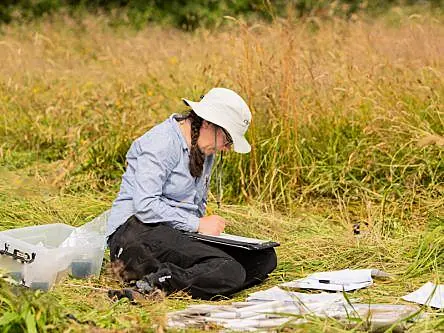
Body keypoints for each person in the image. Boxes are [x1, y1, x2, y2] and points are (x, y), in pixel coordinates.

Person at [106, 87, 277, 301]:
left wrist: (201, 231)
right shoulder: (161, 142)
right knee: (229, 270)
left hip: (174, 233)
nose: (227, 148)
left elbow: (196, 205)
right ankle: (153, 286)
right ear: (207, 122)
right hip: (134, 235)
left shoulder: (204, 148)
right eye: (227, 139)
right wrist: (197, 225)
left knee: (263, 259)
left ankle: (188, 277)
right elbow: (145, 205)